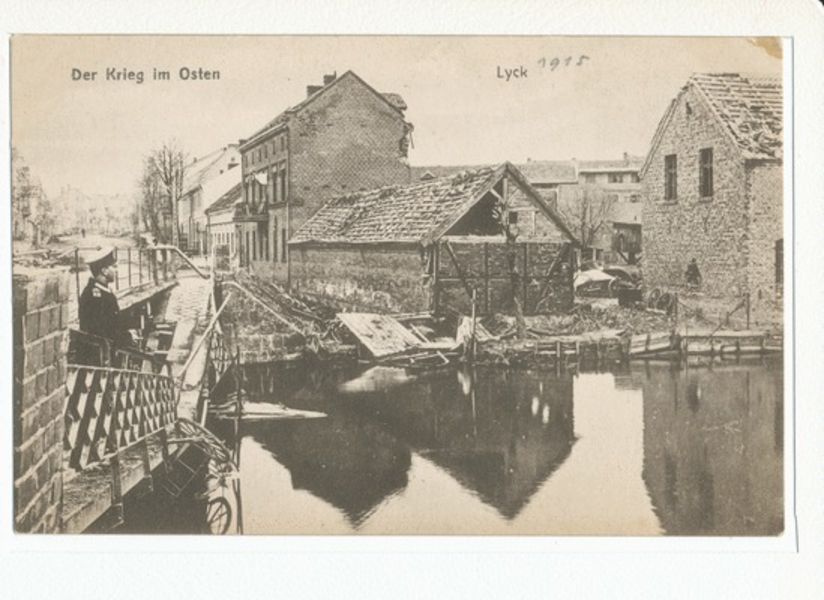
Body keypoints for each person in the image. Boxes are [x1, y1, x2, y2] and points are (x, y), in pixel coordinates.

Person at [76, 247, 132, 364]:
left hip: (104, 350)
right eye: (114, 267)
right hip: (98, 356)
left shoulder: (102, 291)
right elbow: (103, 329)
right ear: (104, 271)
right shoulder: (94, 296)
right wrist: (127, 337)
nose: (116, 270)